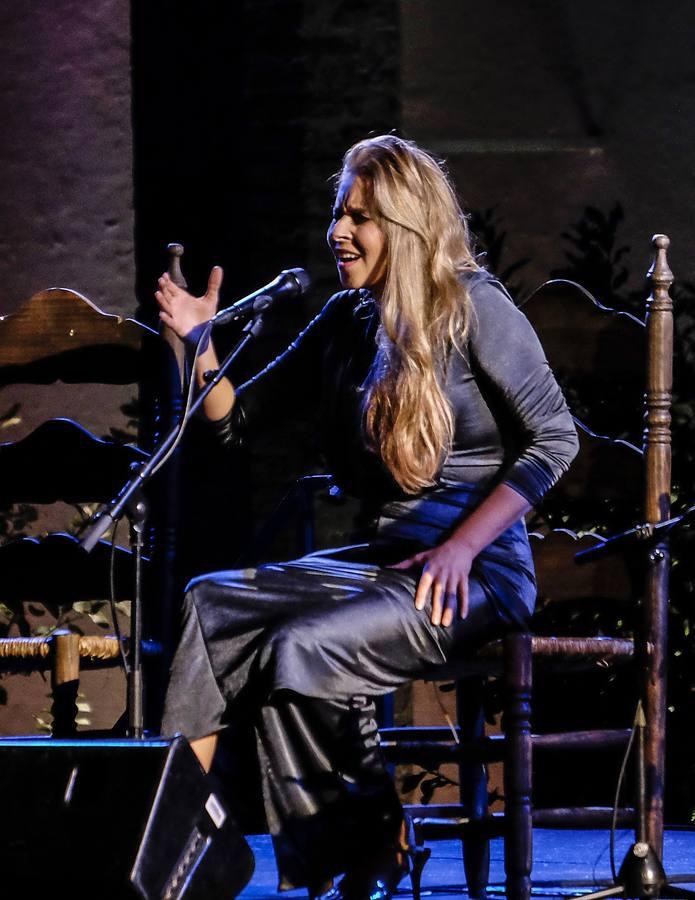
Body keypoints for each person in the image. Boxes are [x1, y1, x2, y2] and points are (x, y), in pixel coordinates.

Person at [155, 134, 579, 899]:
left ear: (407, 224)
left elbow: (556, 438)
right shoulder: (349, 321)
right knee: (211, 602)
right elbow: (236, 421)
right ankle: (175, 837)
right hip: (388, 562)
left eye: (360, 216)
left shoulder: (473, 306)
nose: (338, 231)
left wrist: (459, 546)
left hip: (475, 571)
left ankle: (370, 844)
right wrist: (198, 344)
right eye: (337, 213)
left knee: (302, 645)